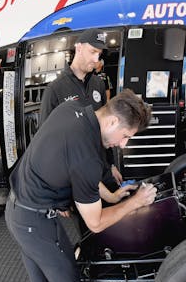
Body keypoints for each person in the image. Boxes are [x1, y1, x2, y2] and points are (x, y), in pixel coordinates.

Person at [5, 89, 157, 282]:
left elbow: (76, 166)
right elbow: (96, 223)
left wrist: (111, 197)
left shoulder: (74, 108)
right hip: (37, 224)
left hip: (16, 210)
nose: (123, 144)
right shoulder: (87, 156)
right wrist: (135, 203)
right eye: (126, 135)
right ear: (111, 122)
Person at [39, 28, 123, 191]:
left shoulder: (98, 84)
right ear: (79, 48)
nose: (96, 58)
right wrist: (56, 189)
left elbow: (105, 127)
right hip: (74, 176)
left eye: (98, 53)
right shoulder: (55, 89)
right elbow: (46, 143)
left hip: (101, 170)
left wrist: (112, 165)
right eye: (92, 51)